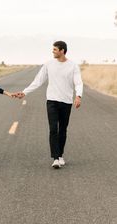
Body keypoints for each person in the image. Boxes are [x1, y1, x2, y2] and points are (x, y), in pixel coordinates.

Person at [14, 41, 83, 169]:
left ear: (62, 51)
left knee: (63, 130)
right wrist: (24, 92)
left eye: (55, 49)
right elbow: (38, 81)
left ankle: (60, 155)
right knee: (53, 129)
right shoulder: (48, 64)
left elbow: (78, 83)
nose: (53, 51)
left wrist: (78, 96)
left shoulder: (73, 66)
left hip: (66, 101)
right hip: (51, 101)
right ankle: (55, 158)